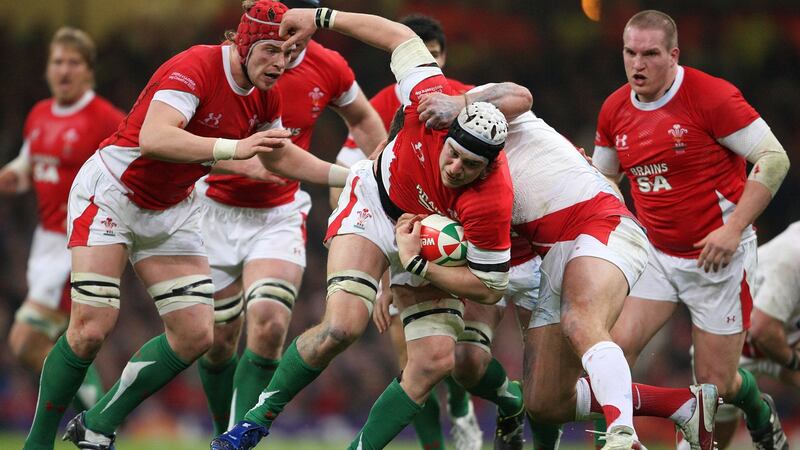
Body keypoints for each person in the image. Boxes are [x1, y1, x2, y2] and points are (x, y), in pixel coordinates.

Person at [24, 2, 349, 449]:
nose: (281, 63)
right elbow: (154, 137)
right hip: (113, 194)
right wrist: (234, 150)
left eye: (289, 52)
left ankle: (97, 424)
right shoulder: (196, 64)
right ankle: (36, 444)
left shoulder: (266, 95)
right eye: (271, 50)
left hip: (172, 209)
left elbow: (279, 156)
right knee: (89, 330)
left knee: (197, 334)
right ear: (244, 42)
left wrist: (349, 177)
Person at [213, 7, 521, 450]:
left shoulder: (493, 199)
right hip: (375, 205)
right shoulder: (430, 98)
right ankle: (253, 423)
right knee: (343, 325)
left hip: (428, 245)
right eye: (452, 154)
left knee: (434, 360)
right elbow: (396, 34)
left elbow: (490, 286)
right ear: (445, 131)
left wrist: (416, 262)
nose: (455, 168)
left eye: (471, 166)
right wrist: (322, 17)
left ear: (490, 166)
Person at [416, 84, 719, 450]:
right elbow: (493, 273)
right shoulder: (465, 188)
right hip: (556, 255)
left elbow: (521, 95)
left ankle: (623, 436)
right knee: (545, 401)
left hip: (599, 222)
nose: (456, 165)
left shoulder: (486, 112)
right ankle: (683, 405)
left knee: (580, 319)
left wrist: (329, 21)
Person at [592, 10, 791, 450]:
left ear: (673, 55)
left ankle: (760, 414)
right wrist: (621, 224)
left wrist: (733, 228)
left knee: (717, 384)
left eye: (650, 54)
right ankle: (616, 440)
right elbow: (604, 177)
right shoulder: (614, 109)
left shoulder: (711, 96)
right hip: (657, 255)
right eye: (630, 52)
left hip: (718, 257)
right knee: (614, 347)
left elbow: (774, 159)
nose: (637, 64)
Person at [196, 0, 387, 435]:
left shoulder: (330, 67)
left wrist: (382, 177)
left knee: (269, 322)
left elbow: (362, 117)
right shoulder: (227, 64)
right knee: (218, 340)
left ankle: (238, 439)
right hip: (214, 206)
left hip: (279, 210)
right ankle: (221, 430)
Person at [337, 14, 483, 450]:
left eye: (437, 56)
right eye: (427, 56)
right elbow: (354, 177)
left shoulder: (464, 98)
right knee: (411, 357)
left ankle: (463, 409)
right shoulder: (387, 102)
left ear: (443, 57)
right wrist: (380, 269)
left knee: (454, 355)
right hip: (402, 232)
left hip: (457, 241)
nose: (432, 64)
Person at [1, 27, 124, 416]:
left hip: (81, 240)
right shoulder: (39, 115)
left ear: (89, 70)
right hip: (45, 243)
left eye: (74, 62)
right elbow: (29, 166)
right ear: (47, 69)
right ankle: (96, 416)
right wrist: (11, 176)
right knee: (56, 344)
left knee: (25, 339)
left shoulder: (106, 119)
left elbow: (133, 163)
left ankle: (94, 417)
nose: (64, 70)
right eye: (57, 62)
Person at [677, 221, 800, 450]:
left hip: (781, 338)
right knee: (714, 439)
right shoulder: (793, 254)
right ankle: (761, 414)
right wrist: (794, 360)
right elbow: (763, 329)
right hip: (734, 345)